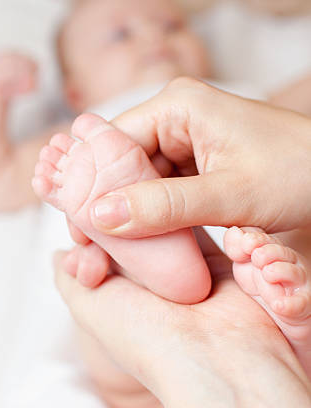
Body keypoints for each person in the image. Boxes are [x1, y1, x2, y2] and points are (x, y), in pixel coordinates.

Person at [52, 77, 311, 406]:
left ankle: (150, 274)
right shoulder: (247, 103)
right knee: (278, 258)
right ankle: (283, 342)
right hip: (226, 238)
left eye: (172, 24)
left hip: (215, 222)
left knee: (102, 301)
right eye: (121, 35)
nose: (154, 39)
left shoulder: (246, 93)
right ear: (74, 92)